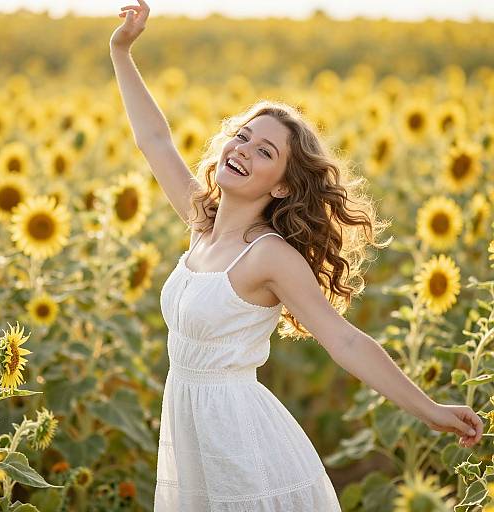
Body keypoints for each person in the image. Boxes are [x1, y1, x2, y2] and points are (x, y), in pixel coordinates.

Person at [110, 2, 484, 510]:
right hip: (190, 429)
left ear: (284, 185)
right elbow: (154, 140)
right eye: (242, 137)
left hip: (239, 439)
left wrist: (429, 409)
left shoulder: (269, 257)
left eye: (265, 151)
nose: (242, 150)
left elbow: (345, 341)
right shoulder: (201, 225)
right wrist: (121, 49)